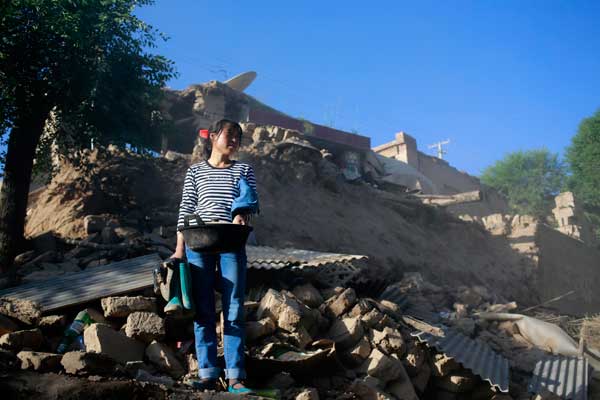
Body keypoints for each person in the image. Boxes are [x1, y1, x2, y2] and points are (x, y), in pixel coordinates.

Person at [171, 119, 257, 393]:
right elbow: (186, 210)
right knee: (204, 310)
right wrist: (179, 250)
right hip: (198, 242)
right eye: (229, 134)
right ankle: (207, 373)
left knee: (233, 310)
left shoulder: (243, 169)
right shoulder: (195, 172)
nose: (234, 140)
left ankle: (235, 377)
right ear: (213, 137)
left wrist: (240, 214)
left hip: (231, 242)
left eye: (238, 137)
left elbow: (248, 199)